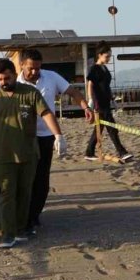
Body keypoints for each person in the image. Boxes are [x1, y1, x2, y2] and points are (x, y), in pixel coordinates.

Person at [0, 59, 66, 249]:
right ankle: (7, 234)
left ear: (14, 74)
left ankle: (21, 229)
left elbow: (46, 114)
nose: (4, 82)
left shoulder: (30, 93)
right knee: (6, 193)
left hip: (28, 154)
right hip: (3, 156)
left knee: (24, 193)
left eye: (7, 78)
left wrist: (58, 136)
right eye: (0, 79)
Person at [17, 49, 93, 231]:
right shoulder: (15, 82)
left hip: (46, 135)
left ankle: (34, 214)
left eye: (37, 68)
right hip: (23, 137)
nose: (34, 72)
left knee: (42, 178)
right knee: (25, 177)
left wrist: (85, 107)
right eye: (30, 68)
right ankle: (22, 214)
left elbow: (73, 92)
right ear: (21, 65)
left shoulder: (51, 77)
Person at [84, 43, 133, 163]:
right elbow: (90, 85)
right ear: (99, 55)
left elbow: (106, 86)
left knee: (99, 128)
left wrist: (112, 100)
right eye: (107, 56)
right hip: (98, 103)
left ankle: (89, 152)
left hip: (106, 102)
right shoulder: (94, 69)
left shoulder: (105, 69)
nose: (108, 59)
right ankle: (122, 152)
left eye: (110, 56)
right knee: (111, 127)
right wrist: (91, 100)